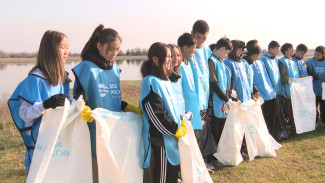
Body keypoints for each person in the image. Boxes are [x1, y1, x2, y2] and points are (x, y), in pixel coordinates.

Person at [72, 24, 141, 182]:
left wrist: (125, 106)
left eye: (117, 49)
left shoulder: (114, 68)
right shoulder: (86, 68)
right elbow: (78, 99)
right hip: (94, 129)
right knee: (97, 170)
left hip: (113, 128)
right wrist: (83, 108)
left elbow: (112, 96)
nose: (114, 54)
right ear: (99, 46)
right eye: (111, 49)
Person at [8, 30, 72, 171]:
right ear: (49, 49)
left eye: (68, 47)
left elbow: (63, 104)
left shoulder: (62, 77)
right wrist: (46, 104)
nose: (66, 51)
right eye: (62, 47)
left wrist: (75, 99)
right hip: (40, 146)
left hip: (58, 142)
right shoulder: (35, 79)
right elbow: (24, 114)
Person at [140, 42, 187, 183]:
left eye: (171, 56)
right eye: (167, 57)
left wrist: (180, 121)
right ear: (155, 59)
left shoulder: (165, 80)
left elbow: (171, 109)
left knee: (171, 178)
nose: (170, 60)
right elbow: (156, 115)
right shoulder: (150, 81)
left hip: (171, 142)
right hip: (160, 144)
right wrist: (175, 129)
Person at [189, 20, 216, 171]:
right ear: (192, 33)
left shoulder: (206, 50)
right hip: (192, 99)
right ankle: (193, 164)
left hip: (204, 97)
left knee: (203, 131)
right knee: (194, 134)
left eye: (204, 39)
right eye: (198, 37)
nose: (200, 42)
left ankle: (201, 160)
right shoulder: (186, 47)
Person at [246, 41, 277, 135]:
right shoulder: (249, 63)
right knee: (262, 116)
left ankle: (269, 133)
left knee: (269, 115)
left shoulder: (260, 61)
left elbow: (266, 77)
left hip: (269, 92)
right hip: (260, 94)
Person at [208, 38, 233, 147]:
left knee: (221, 130)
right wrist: (226, 99)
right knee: (214, 130)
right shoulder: (211, 61)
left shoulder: (220, 62)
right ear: (222, 49)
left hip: (222, 102)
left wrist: (228, 96)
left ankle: (220, 153)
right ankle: (212, 156)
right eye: (226, 53)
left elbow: (224, 83)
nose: (226, 56)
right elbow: (214, 83)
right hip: (215, 102)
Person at [177, 33, 201, 131]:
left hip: (193, 108)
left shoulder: (188, 63)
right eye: (194, 47)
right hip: (185, 109)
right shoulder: (179, 66)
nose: (195, 50)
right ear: (185, 48)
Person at [278, 43, 300, 126]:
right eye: (291, 49)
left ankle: (296, 124)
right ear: (286, 51)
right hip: (288, 89)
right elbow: (283, 76)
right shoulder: (282, 61)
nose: (293, 50)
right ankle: (289, 125)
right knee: (289, 109)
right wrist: (289, 80)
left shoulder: (293, 61)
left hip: (296, 88)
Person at [306, 46, 325, 126]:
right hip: (313, 88)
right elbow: (308, 74)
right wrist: (317, 77)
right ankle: (315, 121)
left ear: (323, 54)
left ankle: (323, 120)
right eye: (315, 54)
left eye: (318, 55)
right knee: (314, 106)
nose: (316, 56)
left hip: (323, 89)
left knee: (323, 106)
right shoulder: (310, 62)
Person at [168, 44, 185, 116]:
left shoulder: (178, 74)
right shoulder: (164, 76)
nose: (176, 58)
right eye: (172, 56)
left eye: (178, 55)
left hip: (181, 116)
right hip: (171, 118)